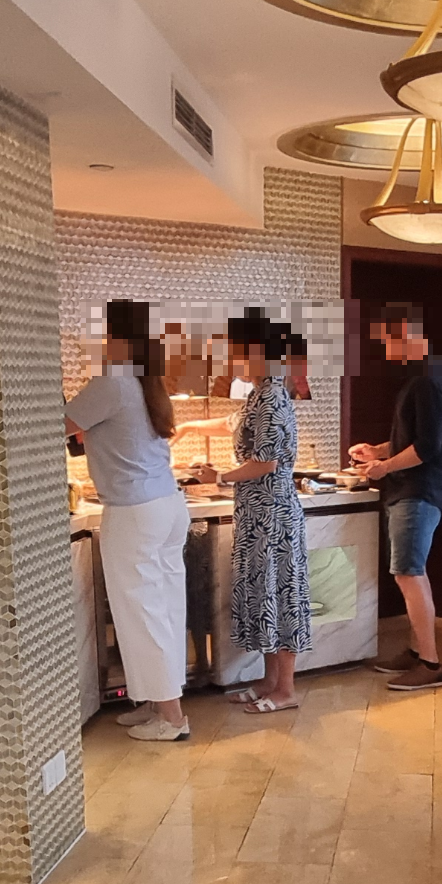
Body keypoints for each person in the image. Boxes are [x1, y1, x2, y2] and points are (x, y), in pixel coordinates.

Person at [66, 299, 189, 743]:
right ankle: (156, 703)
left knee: (141, 613)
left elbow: (59, 424)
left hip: (134, 511)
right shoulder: (142, 380)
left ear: (115, 337)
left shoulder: (113, 381)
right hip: (166, 505)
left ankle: (171, 717)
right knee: (164, 608)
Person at [348, 302, 442, 693]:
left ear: (406, 334)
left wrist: (385, 467)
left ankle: (430, 664)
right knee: (409, 572)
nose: (387, 351)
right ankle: (415, 651)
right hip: (409, 492)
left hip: (418, 493)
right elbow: (412, 438)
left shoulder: (429, 381)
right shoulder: (422, 378)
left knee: (409, 573)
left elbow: (427, 448)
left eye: (388, 342)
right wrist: (377, 451)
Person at [218, 316, 309, 713]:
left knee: (280, 595)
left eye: (236, 351)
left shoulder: (272, 395)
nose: (231, 358)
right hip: (259, 515)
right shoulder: (260, 394)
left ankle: (286, 690)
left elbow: (266, 462)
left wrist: (220, 476)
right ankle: (270, 681)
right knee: (265, 596)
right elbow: (234, 426)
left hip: (274, 517)